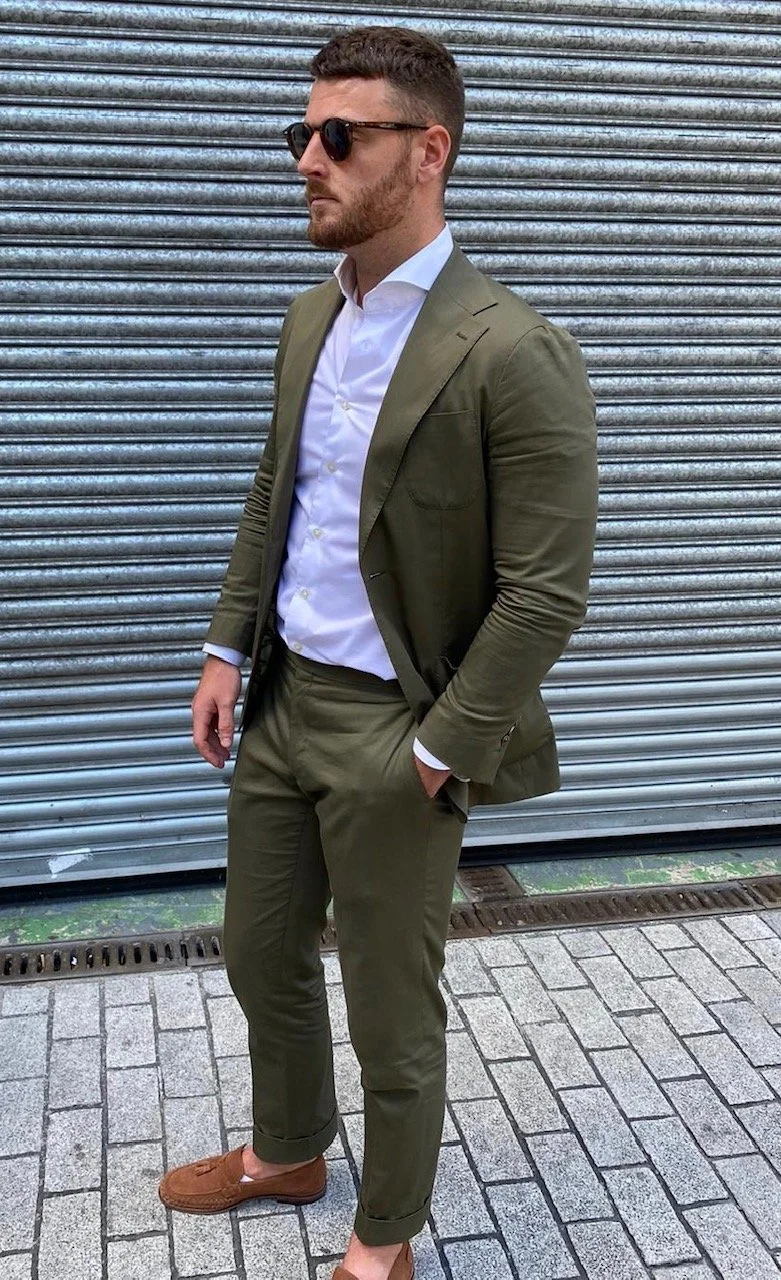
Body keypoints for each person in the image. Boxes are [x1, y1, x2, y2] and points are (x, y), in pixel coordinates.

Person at [158, 24, 598, 1280]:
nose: (307, 158)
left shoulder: (513, 349)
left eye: (338, 136)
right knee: (256, 945)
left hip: (395, 726)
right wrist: (224, 651)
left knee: (391, 1011)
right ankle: (289, 1149)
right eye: (300, 132)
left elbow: (546, 589)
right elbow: (271, 497)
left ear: (428, 151)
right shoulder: (312, 319)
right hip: (284, 699)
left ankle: (381, 1239)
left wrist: (436, 750)